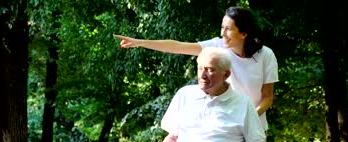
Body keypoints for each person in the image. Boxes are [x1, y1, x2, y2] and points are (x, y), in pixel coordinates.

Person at [114, 6, 278, 131]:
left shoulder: (266, 55)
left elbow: (267, 97)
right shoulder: (217, 46)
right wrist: (140, 42)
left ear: (244, 33)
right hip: (224, 124)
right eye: (222, 27)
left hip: (254, 125)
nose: (223, 33)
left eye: (228, 29)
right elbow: (178, 47)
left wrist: (249, 118)